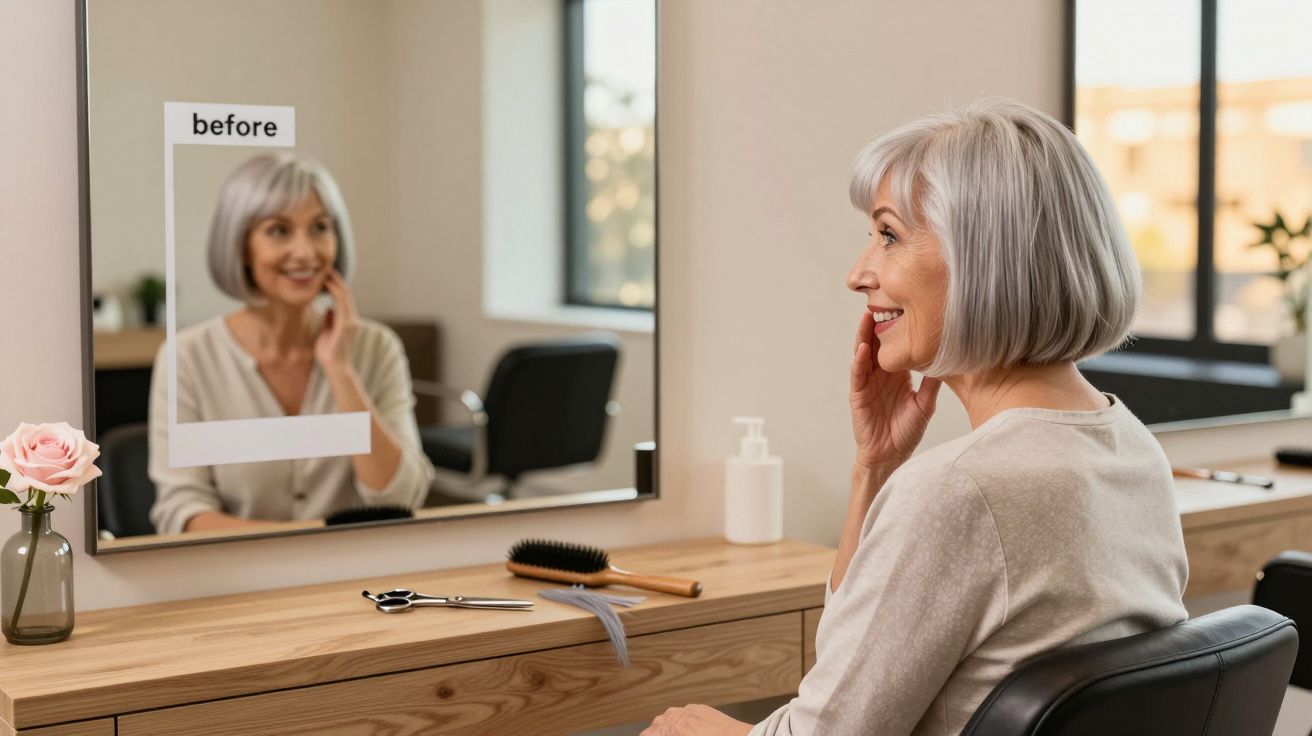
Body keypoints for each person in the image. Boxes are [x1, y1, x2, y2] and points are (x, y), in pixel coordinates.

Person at [642, 99, 1189, 735]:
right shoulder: (1130, 447)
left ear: (984, 257)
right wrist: (875, 467)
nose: (858, 273)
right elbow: (852, 669)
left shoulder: (960, 491)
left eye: (889, 235)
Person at [147, 152, 434, 535]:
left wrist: (340, 370)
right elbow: (182, 511)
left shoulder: (377, 348)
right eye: (279, 230)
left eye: (319, 227)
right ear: (241, 245)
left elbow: (401, 498)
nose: (305, 251)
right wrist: (294, 551)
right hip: (236, 576)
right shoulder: (186, 357)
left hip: (357, 577)